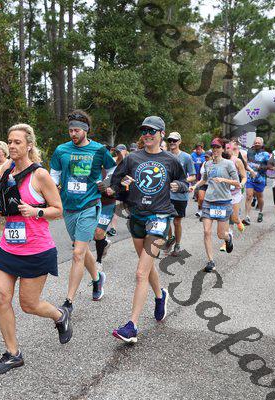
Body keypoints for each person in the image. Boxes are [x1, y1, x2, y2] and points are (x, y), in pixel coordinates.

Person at [0, 124, 71, 375]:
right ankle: (13, 354)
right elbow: (6, 207)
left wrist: (36, 211)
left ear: (29, 145)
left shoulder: (40, 175)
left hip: (36, 249)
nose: (12, 146)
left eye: (17, 142)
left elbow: (58, 209)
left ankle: (60, 315)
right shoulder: (6, 171)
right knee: (1, 297)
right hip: (9, 246)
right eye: (9, 141)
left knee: (29, 305)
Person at [107, 116, 188, 343]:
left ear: (162, 134)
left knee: (141, 272)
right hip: (137, 217)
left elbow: (185, 183)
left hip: (160, 218)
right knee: (147, 264)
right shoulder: (132, 158)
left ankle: (131, 326)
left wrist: (178, 185)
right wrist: (121, 186)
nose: (147, 135)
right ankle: (160, 295)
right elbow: (115, 187)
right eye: (144, 131)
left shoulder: (170, 160)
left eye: (152, 131)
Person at [50, 110, 117, 312]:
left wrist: (106, 183)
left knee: (78, 253)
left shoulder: (98, 150)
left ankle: (68, 302)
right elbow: (54, 174)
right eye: (70, 130)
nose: (73, 134)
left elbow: (113, 170)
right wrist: (51, 190)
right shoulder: (61, 150)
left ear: (86, 130)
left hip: (90, 204)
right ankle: (97, 278)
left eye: (77, 130)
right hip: (69, 207)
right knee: (83, 248)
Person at [189, 138, 239, 273]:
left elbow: (237, 183)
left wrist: (224, 179)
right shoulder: (207, 164)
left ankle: (228, 238)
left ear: (222, 149)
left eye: (218, 147)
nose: (215, 150)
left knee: (221, 234)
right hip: (209, 201)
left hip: (223, 202)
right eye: (213, 147)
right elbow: (204, 179)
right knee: (206, 231)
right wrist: (194, 186)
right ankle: (211, 261)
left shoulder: (228, 164)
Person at [165, 132, 196, 256]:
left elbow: (193, 176)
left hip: (180, 195)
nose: (172, 142)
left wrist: (180, 182)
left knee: (177, 222)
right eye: (170, 140)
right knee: (165, 219)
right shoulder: (164, 156)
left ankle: (177, 245)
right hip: (166, 194)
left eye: (175, 140)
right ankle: (170, 238)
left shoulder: (186, 157)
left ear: (179, 142)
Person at [219, 141, 247, 252]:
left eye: (230, 148)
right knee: (225, 219)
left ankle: (238, 222)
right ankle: (226, 242)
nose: (227, 150)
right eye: (226, 148)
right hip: (223, 193)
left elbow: (244, 177)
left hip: (235, 193)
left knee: (234, 218)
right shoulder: (219, 161)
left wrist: (241, 184)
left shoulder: (237, 161)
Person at [243, 137, 270, 225]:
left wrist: (260, 167)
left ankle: (260, 212)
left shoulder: (265, 154)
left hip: (260, 178)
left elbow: (269, 166)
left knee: (259, 197)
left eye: (259, 143)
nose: (257, 144)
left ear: (262, 144)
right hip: (250, 178)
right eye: (256, 142)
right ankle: (247, 217)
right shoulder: (249, 152)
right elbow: (245, 163)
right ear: (253, 143)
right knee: (249, 196)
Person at [107, 144, 129, 237]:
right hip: (116, 188)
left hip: (127, 188)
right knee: (116, 209)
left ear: (125, 151)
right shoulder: (113, 160)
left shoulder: (129, 160)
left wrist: (123, 156)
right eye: (117, 151)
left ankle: (135, 223)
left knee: (129, 208)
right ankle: (113, 229)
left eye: (120, 151)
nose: (118, 153)